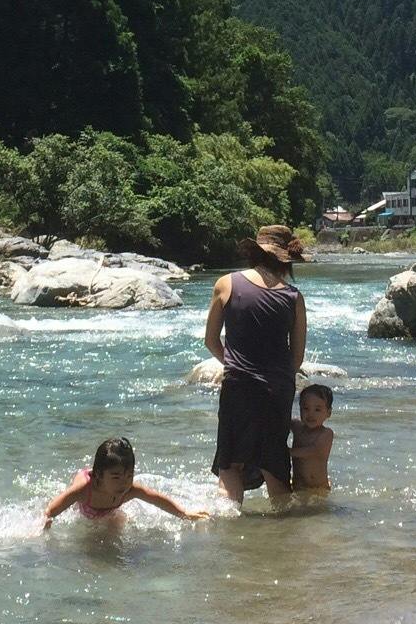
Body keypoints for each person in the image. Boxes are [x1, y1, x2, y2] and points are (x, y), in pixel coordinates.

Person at [206, 223, 309, 504]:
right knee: (275, 466)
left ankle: (229, 532)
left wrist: (235, 365)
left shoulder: (226, 284)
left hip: (239, 386)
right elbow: (296, 359)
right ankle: (284, 536)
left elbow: (211, 340)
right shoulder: (293, 297)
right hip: (277, 390)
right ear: (285, 261)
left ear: (255, 253)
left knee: (230, 465)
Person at [42, 437, 209, 529]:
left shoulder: (130, 489)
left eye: (129, 476)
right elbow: (51, 510)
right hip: (88, 502)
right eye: (116, 477)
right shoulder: (84, 490)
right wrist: (46, 522)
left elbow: (157, 499)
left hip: (109, 510)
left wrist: (185, 514)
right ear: (99, 475)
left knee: (117, 529)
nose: (124, 483)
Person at [291, 383, 336, 493]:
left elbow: (312, 451)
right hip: (298, 485)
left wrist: (287, 452)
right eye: (306, 408)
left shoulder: (326, 434)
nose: (311, 414)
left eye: (317, 410)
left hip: (318, 488)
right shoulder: (297, 427)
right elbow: (282, 421)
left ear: (328, 413)